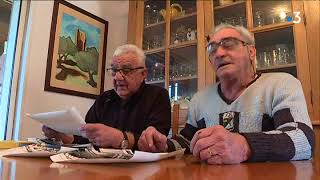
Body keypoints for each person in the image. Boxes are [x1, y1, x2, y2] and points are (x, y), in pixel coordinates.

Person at [138, 24, 315, 164]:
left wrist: (244, 145)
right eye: (212, 49)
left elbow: (302, 140)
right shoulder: (200, 99)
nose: (219, 53)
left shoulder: (282, 84)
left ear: (251, 52)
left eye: (228, 44)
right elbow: (187, 141)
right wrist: (164, 146)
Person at [43, 44, 171, 149]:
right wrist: (66, 137)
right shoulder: (104, 98)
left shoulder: (158, 95)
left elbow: (156, 142)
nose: (117, 77)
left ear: (143, 74)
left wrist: (121, 138)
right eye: (114, 70)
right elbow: (87, 136)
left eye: (126, 70)